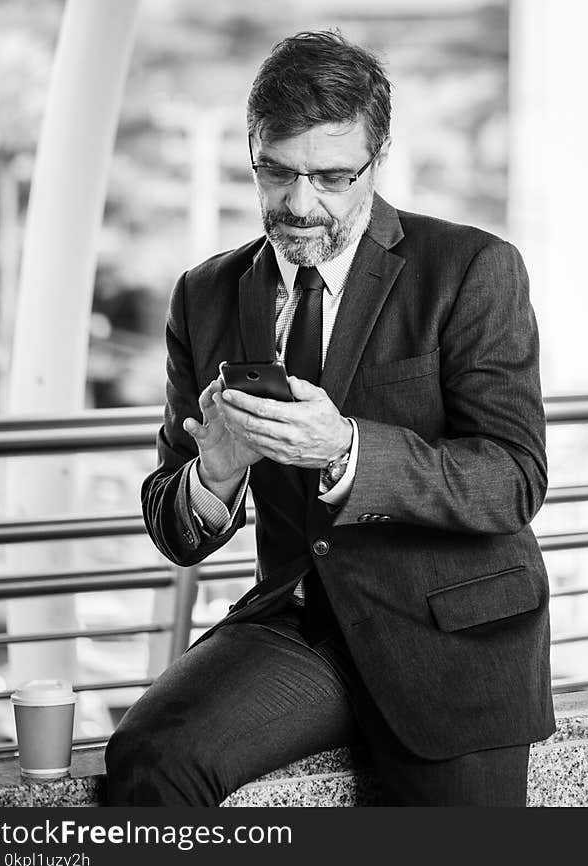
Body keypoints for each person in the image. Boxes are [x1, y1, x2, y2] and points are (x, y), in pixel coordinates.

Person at [105, 29, 554, 807]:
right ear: (252, 151)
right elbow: (174, 529)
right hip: (301, 626)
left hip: (450, 633)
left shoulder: (472, 269)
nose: (300, 202)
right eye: (277, 172)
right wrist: (215, 469)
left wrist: (346, 448)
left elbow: (514, 479)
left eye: (331, 176)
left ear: (377, 162)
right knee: (151, 757)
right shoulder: (204, 296)